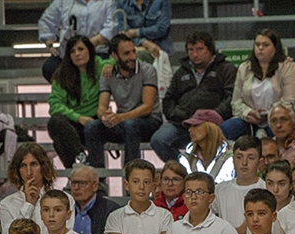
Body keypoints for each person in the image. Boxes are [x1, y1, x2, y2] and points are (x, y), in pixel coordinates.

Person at [150, 31, 237, 162]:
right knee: (159, 140)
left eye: (200, 49)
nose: (195, 54)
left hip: (213, 125)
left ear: (210, 50)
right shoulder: (181, 72)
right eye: (191, 50)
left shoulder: (226, 69)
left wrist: (213, 116)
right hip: (183, 123)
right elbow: (168, 100)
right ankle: (184, 171)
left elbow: (231, 98)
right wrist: (178, 114)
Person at [85, 33, 163, 169]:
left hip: (149, 122)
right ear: (115, 56)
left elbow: (147, 107)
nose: (132, 57)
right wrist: (105, 117)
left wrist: (119, 118)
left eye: (133, 51)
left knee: (130, 125)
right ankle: (98, 179)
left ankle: (131, 176)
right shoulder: (107, 74)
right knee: (92, 127)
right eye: (127, 53)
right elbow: (101, 107)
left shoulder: (148, 70)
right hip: (124, 122)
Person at [223, 29, 295, 140]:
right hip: (250, 119)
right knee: (226, 128)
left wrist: (267, 115)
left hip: (279, 118)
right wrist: (249, 113)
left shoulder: (288, 67)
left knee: (277, 130)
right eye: (257, 44)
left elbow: (289, 101)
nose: (260, 48)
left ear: (275, 48)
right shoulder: (244, 68)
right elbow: (236, 102)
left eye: (265, 45)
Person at [47, 36, 113, 168]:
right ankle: (80, 161)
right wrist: (78, 118)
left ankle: (92, 176)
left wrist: (111, 63)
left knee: (91, 128)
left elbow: (127, 60)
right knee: (55, 123)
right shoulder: (61, 76)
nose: (77, 54)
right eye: (72, 51)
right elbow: (54, 105)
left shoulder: (100, 65)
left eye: (81, 49)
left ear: (89, 50)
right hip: (75, 124)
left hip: (96, 122)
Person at [0, 143, 71, 234]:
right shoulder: (7, 204)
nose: (29, 172)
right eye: (23, 166)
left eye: (34, 164)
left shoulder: (64, 200)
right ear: (17, 170)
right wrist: (28, 205)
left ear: (43, 166)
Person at [38, 0, 116, 82]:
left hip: (97, 52)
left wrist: (87, 44)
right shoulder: (62, 2)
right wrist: (49, 42)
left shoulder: (108, 2)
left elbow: (111, 27)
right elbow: (46, 20)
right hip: (67, 53)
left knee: (102, 70)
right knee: (49, 67)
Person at [212, 135, 265, 234]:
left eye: (251, 158)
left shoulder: (267, 189)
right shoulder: (219, 190)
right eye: (239, 157)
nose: (244, 163)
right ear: (233, 159)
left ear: (260, 161)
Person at [65, 164, 118, 234]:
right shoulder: (66, 209)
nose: (76, 188)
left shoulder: (110, 210)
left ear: (95, 186)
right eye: (73, 183)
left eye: (82, 183)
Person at [178, 109, 236, 183]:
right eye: (190, 126)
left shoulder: (233, 154)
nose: (190, 130)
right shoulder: (185, 157)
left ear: (211, 128)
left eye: (196, 125)